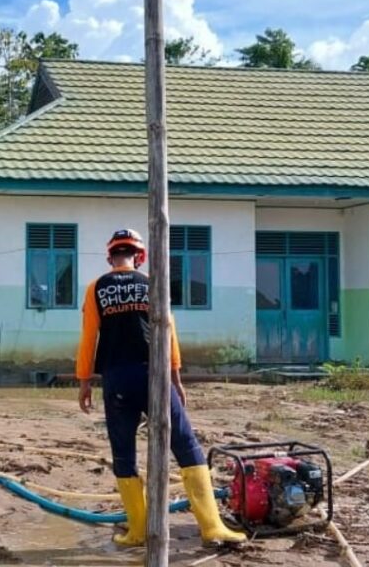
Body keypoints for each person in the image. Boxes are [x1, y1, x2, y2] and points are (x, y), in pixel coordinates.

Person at [76, 228, 245, 547]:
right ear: (138, 257)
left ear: (110, 257)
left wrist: (84, 381)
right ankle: (212, 527)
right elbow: (168, 330)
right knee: (185, 444)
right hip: (154, 375)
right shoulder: (154, 282)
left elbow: (89, 338)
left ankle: (138, 531)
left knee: (123, 451)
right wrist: (176, 378)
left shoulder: (96, 288)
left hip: (116, 379)